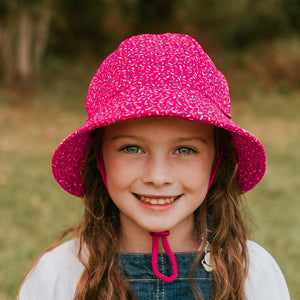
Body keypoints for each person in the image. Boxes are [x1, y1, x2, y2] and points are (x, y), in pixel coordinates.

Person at [17, 33, 290, 300]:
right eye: (132, 148)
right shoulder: (58, 276)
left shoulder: (253, 274)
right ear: (98, 158)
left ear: (217, 160)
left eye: (185, 150)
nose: (158, 177)